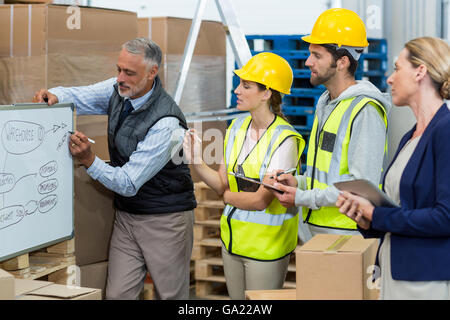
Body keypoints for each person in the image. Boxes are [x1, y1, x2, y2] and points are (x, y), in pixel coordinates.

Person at [33, 38, 196, 300]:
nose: (120, 77)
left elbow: (128, 183)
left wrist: (89, 159)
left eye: (129, 72)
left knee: (171, 296)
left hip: (165, 219)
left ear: (152, 73)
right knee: (118, 295)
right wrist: (55, 94)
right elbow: (83, 95)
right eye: (119, 69)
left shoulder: (166, 124)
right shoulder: (119, 89)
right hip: (127, 216)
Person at [183, 52, 305, 300]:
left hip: (267, 248)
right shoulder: (237, 127)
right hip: (232, 242)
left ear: (266, 93)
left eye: (246, 85)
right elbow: (220, 182)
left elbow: (261, 200)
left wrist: (227, 197)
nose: (237, 90)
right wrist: (196, 160)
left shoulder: (285, 140)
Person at [336, 37, 450, 300]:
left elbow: (445, 217)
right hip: (393, 271)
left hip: (425, 281)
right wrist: (366, 220)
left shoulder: (445, 131)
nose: (389, 79)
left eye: (397, 68)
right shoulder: (410, 137)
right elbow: (403, 210)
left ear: (420, 71)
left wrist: (377, 215)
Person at [269, 8, 391, 241]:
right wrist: (299, 183)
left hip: (347, 235)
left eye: (317, 55)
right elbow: (328, 175)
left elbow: (359, 187)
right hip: (318, 231)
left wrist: (301, 197)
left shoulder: (364, 110)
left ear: (342, 62)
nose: (307, 62)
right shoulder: (326, 104)